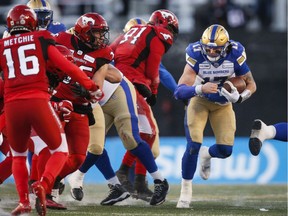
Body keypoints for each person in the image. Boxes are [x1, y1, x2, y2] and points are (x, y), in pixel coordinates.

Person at [68, 11, 175, 206]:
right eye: (97, 33)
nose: (101, 37)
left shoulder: (102, 51)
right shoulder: (64, 48)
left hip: (114, 92)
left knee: (133, 138)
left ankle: (160, 181)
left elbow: (114, 77)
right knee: (95, 146)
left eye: (102, 33)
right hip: (96, 98)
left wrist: (151, 89)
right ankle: (116, 186)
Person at [0, 5, 98, 215]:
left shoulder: (2, 45)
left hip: (12, 106)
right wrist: (90, 86)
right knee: (59, 149)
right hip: (36, 100)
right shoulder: (41, 39)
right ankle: (43, 184)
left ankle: (24, 201)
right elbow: (67, 66)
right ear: (32, 23)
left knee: (17, 155)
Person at [174, 24, 257, 208]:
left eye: (216, 49)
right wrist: (199, 88)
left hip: (222, 105)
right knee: (193, 144)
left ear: (225, 47)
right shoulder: (195, 54)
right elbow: (179, 92)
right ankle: (185, 191)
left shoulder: (235, 53)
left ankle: (207, 154)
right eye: (208, 48)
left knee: (226, 150)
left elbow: (251, 84)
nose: (211, 52)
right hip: (199, 100)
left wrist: (240, 98)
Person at [112, 9, 178, 204]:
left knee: (97, 144)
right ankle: (127, 174)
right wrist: (154, 91)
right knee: (147, 134)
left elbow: (109, 54)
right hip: (130, 84)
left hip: (112, 82)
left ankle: (135, 181)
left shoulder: (129, 34)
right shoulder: (157, 35)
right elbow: (154, 70)